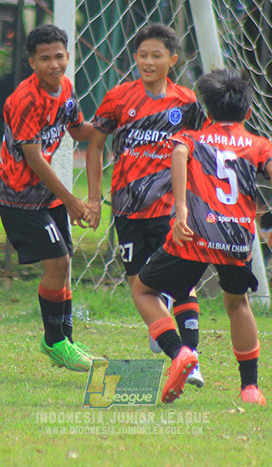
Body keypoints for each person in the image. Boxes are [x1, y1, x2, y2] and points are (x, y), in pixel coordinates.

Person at [130, 68, 272, 404]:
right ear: (247, 112)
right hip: (236, 238)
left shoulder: (193, 137)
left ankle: (179, 353)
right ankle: (250, 388)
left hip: (195, 234)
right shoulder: (258, 144)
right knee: (237, 302)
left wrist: (181, 210)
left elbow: (178, 153)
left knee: (144, 290)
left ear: (206, 112)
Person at [85, 24, 207, 386]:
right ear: (134, 57)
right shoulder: (118, 98)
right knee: (141, 286)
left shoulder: (187, 104)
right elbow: (94, 145)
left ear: (173, 59)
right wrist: (94, 197)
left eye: (157, 56)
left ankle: (188, 359)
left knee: (183, 282)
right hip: (127, 211)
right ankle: (174, 343)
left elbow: (204, 152)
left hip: (172, 210)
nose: (149, 62)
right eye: (143, 55)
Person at [0, 24, 96, 372]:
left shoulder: (65, 87)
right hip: (19, 196)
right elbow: (34, 158)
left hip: (46, 194)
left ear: (68, 56)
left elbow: (77, 129)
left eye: (59, 57)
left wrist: (116, 122)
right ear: (32, 62)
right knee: (58, 264)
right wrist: (70, 199)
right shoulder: (24, 101)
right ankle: (54, 342)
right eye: (45, 59)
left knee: (64, 264)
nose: (54, 65)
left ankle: (64, 339)